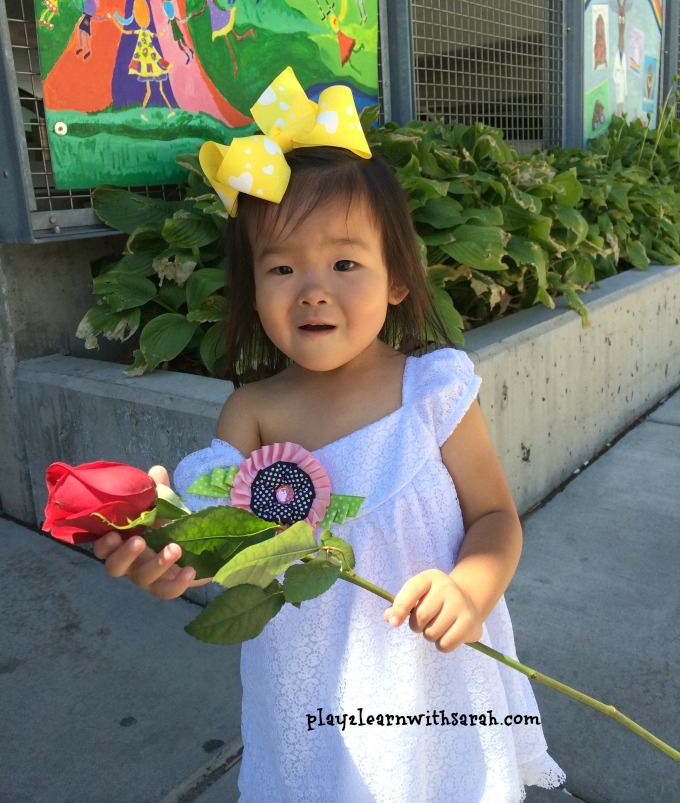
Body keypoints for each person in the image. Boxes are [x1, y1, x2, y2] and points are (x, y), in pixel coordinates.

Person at [94, 70, 564, 802]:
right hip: (315, 698)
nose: (313, 287)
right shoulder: (250, 416)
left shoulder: (432, 393)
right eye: (282, 266)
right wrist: (172, 553)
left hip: (435, 676)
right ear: (253, 286)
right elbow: (225, 544)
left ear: (398, 279)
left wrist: (471, 586)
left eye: (345, 262)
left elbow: (495, 517)